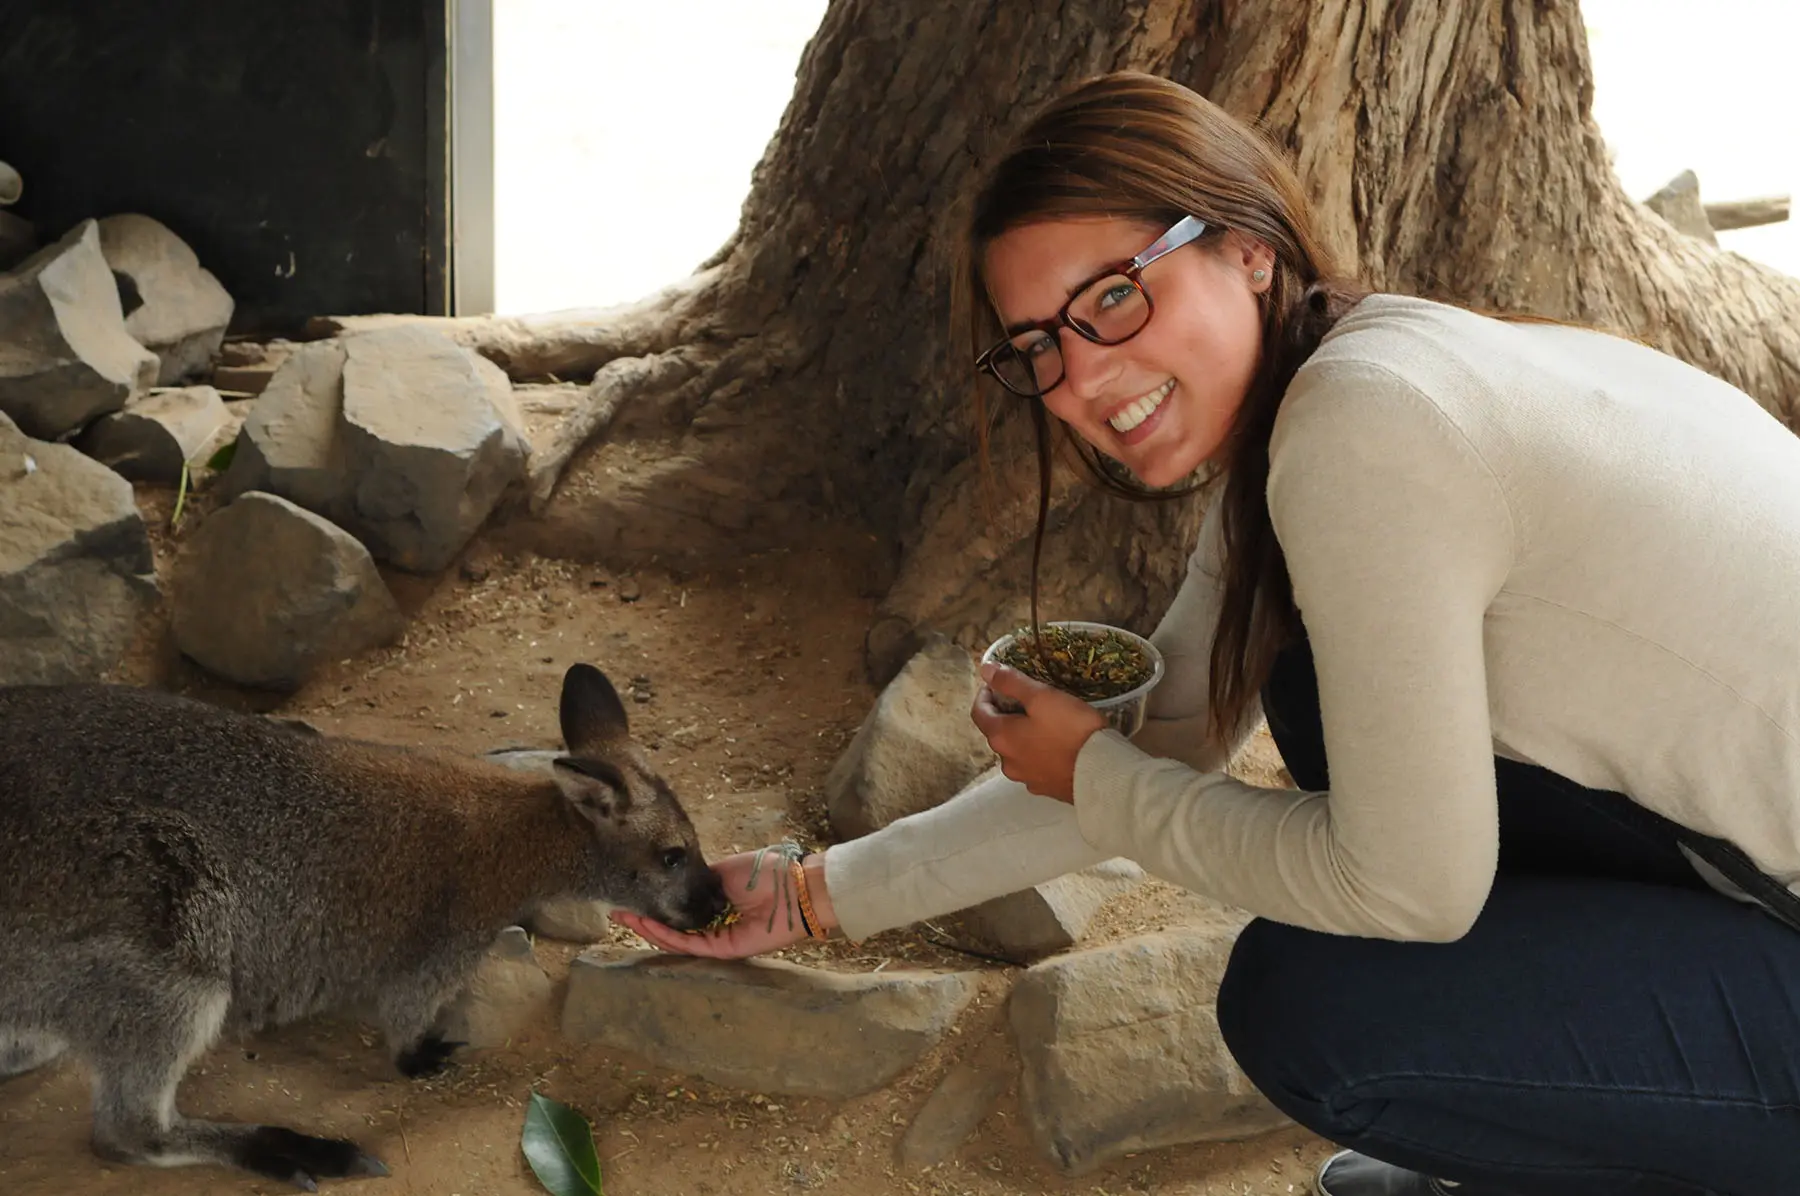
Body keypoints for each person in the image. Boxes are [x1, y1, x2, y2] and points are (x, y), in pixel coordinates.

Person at [611, 69, 1800, 1196]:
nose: (1080, 379)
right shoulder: (1347, 376)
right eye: (1040, 346)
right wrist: (820, 893)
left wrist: (1099, 775)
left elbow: (1410, 890)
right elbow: (1169, 733)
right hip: (1752, 881)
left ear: (1247, 246)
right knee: (1313, 694)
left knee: (1319, 1007)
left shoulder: (1366, 437)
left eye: (1115, 296)